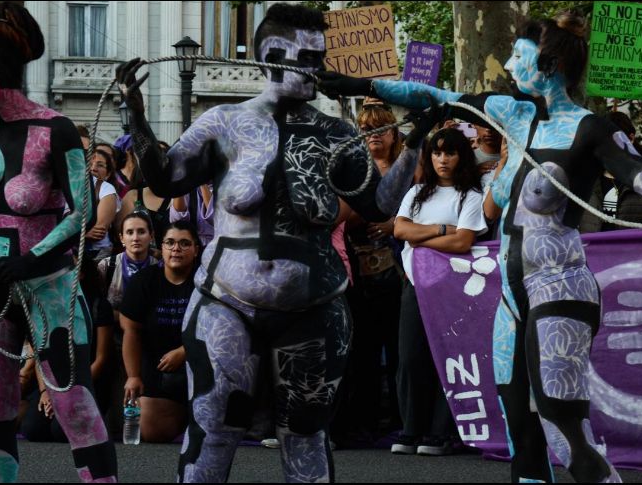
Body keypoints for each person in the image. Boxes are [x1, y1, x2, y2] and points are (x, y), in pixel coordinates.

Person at [318, 11, 642, 484]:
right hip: (511, 295)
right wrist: (361, 84)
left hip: (560, 287)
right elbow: (434, 95)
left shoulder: (591, 129)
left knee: (562, 430)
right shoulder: (514, 114)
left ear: (551, 66)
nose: (509, 66)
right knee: (521, 433)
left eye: (519, 57)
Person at [116, 3, 432, 481]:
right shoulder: (223, 122)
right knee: (214, 428)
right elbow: (164, 177)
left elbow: (378, 206)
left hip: (314, 309)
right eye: (306, 58)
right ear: (271, 56)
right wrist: (136, 117)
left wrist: (415, 140)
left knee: (305, 434)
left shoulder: (335, 133)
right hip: (226, 303)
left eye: (320, 58)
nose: (316, 69)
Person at [0, 3, 116, 482]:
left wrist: (32, 259)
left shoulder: (55, 130)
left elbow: (81, 213)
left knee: (73, 402)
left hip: (49, 289)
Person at [392, 129, 487, 456]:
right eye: (437, 153)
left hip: (453, 287)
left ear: (462, 156)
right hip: (415, 283)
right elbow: (400, 229)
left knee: (447, 357)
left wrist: (420, 238)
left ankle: (440, 432)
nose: (443, 159)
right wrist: (441, 229)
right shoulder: (417, 192)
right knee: (410, 357)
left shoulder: (470, 195)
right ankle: (411, 429)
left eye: (450, 153)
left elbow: (463, 241)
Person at [333, 98, 404, 446]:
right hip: (357, 270)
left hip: (398, 269)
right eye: (365, 129)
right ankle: (366, 419)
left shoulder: (407, 169)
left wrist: (393, 224)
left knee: (398, 347)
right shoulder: (353, 171)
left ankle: (400, 418)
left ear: (393, 134)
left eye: (380, 128)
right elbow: (343, 217)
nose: (373, 135)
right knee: (363, 349)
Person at [21, 253, 116, 442]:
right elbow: (40, 355)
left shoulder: (98, 305)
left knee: (62, 431)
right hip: (53, 382)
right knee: (33, 430)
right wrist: (45, 391)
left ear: (82, 274)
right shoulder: (45, 305)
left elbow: (101, 358)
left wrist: (71, 391)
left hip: (87, 382)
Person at [119, 221, 198, 443]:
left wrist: (185, 351)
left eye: (184, 243)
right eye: (170, 243)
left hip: (199, 364)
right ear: (161, 247)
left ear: (196, 249)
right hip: (158, 368)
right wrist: (133, 376)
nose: (176, 249)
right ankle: (185, 417)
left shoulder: (205, 281)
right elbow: (131, 331)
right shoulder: (144, 281)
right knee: (150, 430)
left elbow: (218, 331)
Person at [578, 113, 642, 232]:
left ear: (631, 139)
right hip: (589, 245)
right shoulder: (586, 180)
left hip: (634, 245)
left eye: (615, 139)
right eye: (603, 139)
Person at [98, 212, 157, 311]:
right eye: (130, 232)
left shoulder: (160, 267)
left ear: (151, 236)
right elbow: (97, 303)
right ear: (121, 238)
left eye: (141, 232)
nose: (135, 238)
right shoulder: (106, 266)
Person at [86, 149, 120, 262]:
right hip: (69, 250)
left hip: (96, 253)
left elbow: (98, 231)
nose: (93, 168)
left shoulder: (107, 189)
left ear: (108, 174)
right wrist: (84, 232)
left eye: (100, 165)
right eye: (89, 163)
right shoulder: (68, 185)